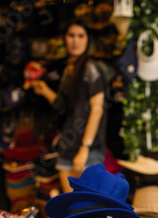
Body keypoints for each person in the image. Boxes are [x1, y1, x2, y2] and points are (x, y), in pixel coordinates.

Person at [32, 19, 108, 193]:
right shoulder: (69, 70)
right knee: (72, 209)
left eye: (80, 36)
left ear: (88, 39)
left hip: (89, 149)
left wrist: (85, 148)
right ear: (65, 38)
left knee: (87, 209)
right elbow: (63, 107)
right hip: (67, 146)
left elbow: (97, 109)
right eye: (71, 35)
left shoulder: (92, 69)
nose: (75, 40)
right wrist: (44, 91)